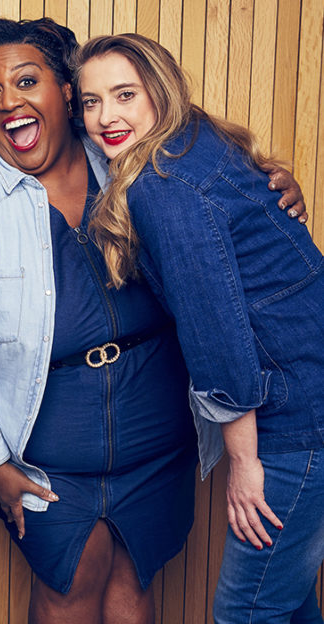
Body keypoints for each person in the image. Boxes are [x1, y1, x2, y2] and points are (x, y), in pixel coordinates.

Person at [0, 18, 306, 623]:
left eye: (26, 80)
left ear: (64, 91)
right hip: (50, 453)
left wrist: (270, 188)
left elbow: (211, 198)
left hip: (157, 437)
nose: (10, 100)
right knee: (68, 589)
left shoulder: (128, 158)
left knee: (132, 586)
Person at [77, 33, 324, 624]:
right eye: (89, 102)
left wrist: (245, 463)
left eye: (123, 95)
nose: (105, 117)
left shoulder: (164, 188)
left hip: (294, 416)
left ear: (158, 93)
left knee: (248, 610)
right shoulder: (190, 141)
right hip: (307, 396)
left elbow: (219, 337)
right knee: (289, 603)